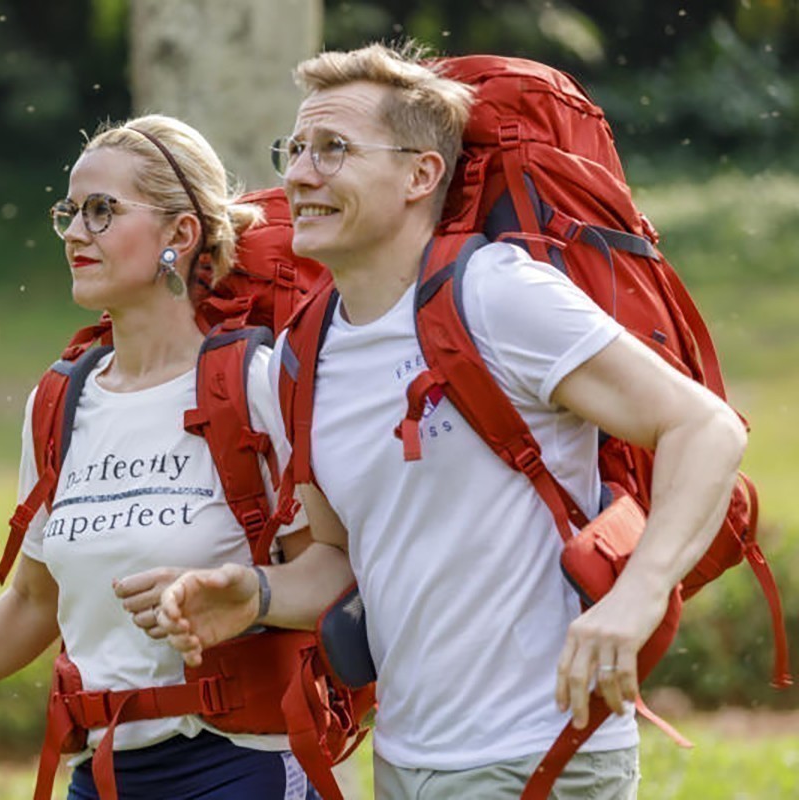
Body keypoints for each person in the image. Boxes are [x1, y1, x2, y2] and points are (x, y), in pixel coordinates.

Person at [147, 43, 747, 799]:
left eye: (333, 150)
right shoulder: (305, 349)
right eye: (295, 149)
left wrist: (637, 596)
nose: (298, 174)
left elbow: (707, 429)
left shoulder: (497, 296)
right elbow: (340, 557)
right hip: (405, 762)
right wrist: (258, 594)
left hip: (540, 751)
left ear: (420, 174)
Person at [0, 114, 321, 799]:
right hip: (103, 771)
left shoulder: (257, 386)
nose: (72, 233)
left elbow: (336, 573)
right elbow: (35, 599)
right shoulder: (59, 401)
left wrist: (252, 596)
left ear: (179, 236)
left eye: (101, 211)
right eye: (68, 211)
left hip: (241, 763)